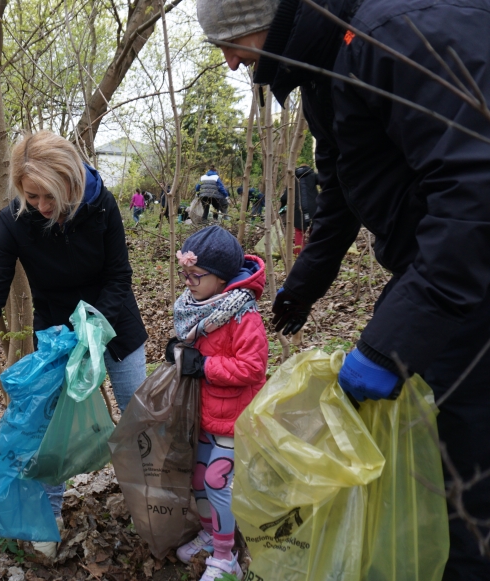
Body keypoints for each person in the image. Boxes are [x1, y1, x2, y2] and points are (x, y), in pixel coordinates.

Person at [197, 0, 490, 576]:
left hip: (466, 276)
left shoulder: (391, 35)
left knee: (471, 466)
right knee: (444, 449)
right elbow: (341, 190)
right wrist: (301, 288)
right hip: (443, 274)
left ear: (270, 18)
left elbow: (474, 198)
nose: (230, 63)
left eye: (230, 43)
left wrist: (388, 343)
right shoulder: (327, 65)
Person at [0, 130, 148, 557]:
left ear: (69, 179)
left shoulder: (101, 204)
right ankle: (47, 519)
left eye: (49, 195)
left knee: (139, 419)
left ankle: (153, 502)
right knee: (51, 429)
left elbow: (119, 277)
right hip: (56, 336)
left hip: (114, 326)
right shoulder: (16, 220)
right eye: (32, 196)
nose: (43, 206)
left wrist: (93, 329)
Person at [165, 226, 267, 580]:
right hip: (206, 413)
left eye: (196, 275)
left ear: (221, 277)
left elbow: (253, 368)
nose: (188, 283)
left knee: (217, 480)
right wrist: (179, 353)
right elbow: (195, 347)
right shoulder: (200, 308)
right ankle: (212, 534)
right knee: (198, 478)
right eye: (185, 275)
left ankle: (226, 559)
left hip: (234, 416)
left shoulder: (242, 314)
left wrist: (204, 366)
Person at [278, 165, 319, 255]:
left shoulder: (293, 179)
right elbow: (325, 182)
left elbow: (284, 197)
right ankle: (315, 252)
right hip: (314, 208)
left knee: (299, 231)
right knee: (315, 229)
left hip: (297, 210)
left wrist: (282, 207)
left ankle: (298, 254)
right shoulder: (313, 175)